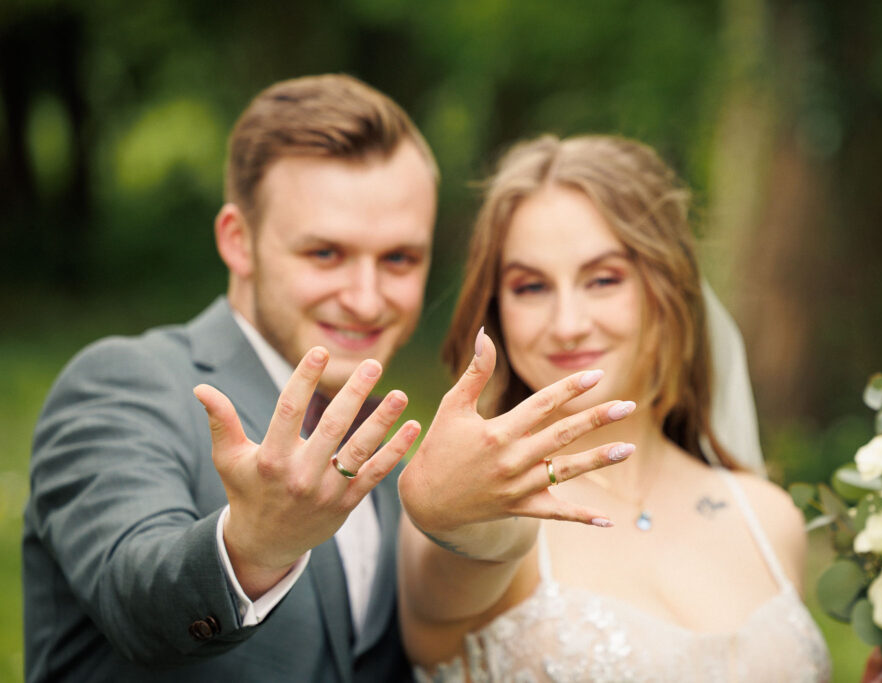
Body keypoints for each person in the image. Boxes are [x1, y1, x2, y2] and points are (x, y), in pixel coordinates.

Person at [21, 74, 627, 682]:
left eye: (398, 259)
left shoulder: (400, 458)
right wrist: (251, 548)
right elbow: (133, 598)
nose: (365, 299)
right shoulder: (126, 383)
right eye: (325, 254)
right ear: (239, 241)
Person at [398, 134, 831, 681]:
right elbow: (472, 549)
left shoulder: (769, 518)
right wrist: (452, 517)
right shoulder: (481, 500)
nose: (568, 324)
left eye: (603, 279)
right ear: (497, 310)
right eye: (530, 287)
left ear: (666, 287)